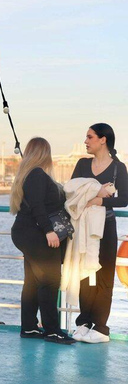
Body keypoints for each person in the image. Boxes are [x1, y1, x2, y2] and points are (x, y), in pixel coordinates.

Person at [9, 138, 74, 345]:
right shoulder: (37, 174)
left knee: (32, 282)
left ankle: (28, 327)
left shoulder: (30, 175)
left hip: (27, 234)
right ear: (45, 153)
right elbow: (37, 206)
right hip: (36, 234)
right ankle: (52, 330)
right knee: (50, 280)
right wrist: (49, 231)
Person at [69, 123, 128, 343]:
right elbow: (70, 189)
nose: (85, 141)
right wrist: (93, 191)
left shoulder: (118, 168)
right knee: (86, 274)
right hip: (83, 228)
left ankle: (101, 328)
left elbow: (124, 199)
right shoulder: (82, 164)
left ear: (103, 139)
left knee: (103, 276)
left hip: (106, 228)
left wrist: (100, 199)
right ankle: (84, 323)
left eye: (89, 137)